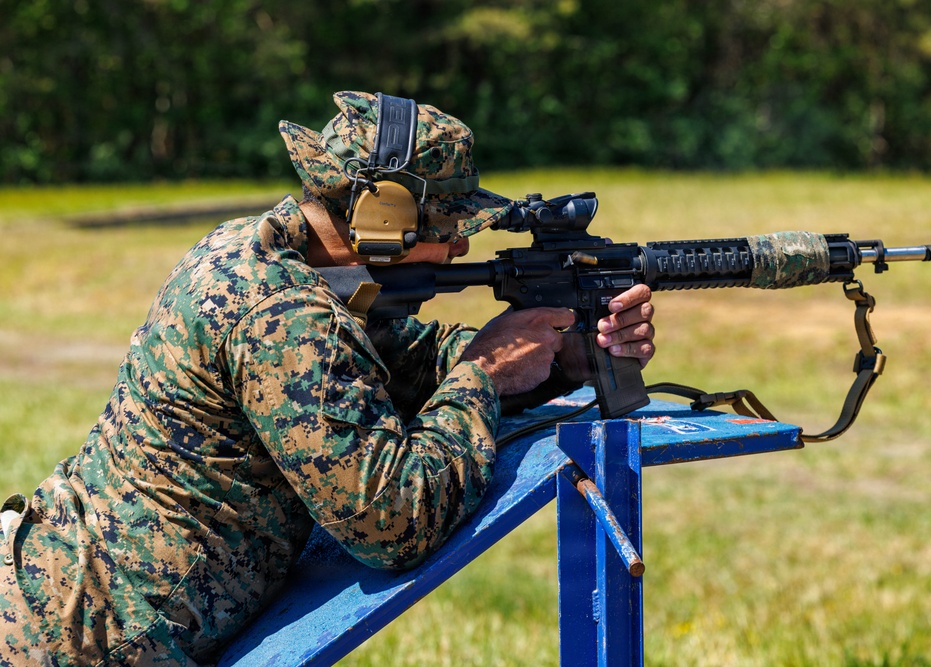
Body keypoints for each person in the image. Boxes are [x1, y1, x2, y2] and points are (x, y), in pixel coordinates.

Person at [0, 91, 655, 665]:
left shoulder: (273, 258)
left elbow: (398, 360)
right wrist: (482, 375)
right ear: (384, 215)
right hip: (71, 643)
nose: (460, 245)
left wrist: (558, 356)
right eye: (448, 225)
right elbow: (394, 519)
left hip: (59, 596)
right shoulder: (281, 309)